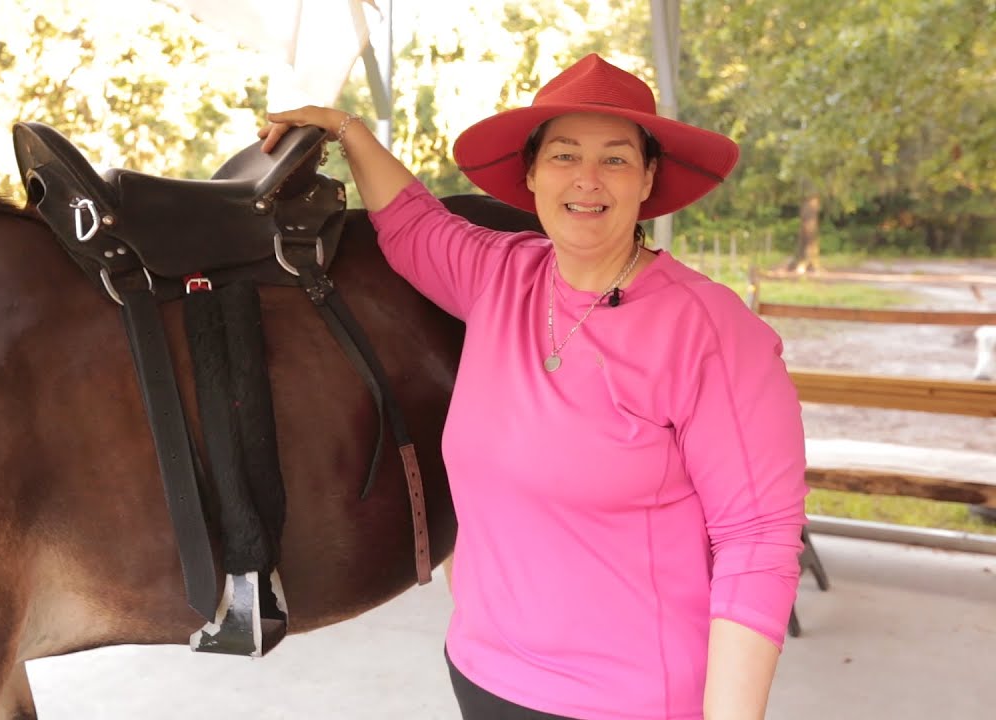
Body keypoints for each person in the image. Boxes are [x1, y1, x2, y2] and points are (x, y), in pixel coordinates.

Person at [260, 53, 808, 720]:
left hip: (631, 702)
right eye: (564, 155)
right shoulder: (502, 276)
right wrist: (346, 129)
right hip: (484, 674)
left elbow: (757, 544)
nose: (587, 179)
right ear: (531, 173)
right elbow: (411, 226)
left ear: (647, 179)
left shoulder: (714, 333)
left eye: (615, 158)